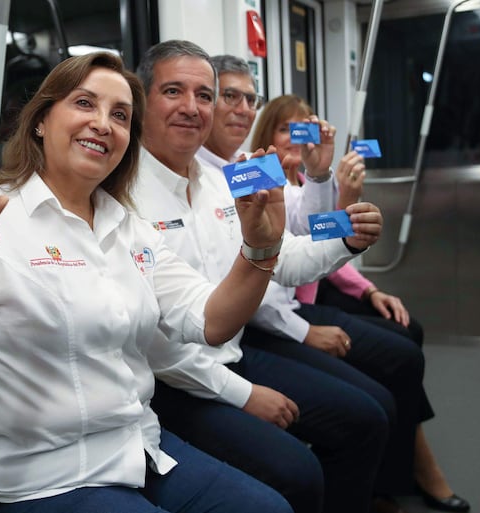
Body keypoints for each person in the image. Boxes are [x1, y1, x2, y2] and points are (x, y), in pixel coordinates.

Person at [0, 52, 294, 513]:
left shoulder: (128, 228)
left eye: (120, 115)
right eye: (85, 103)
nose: (104, 123)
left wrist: (261, 248)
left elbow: (212, 320)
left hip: (134, 448)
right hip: (39, 478)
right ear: (42, 121)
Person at [133, 44, 390, 513]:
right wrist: (245, 394)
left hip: (235, 352)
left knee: (366, 418)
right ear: (142, 100)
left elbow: (280, 256)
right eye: (174, 91)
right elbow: (158, 342)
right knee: (297, 473)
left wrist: (346, 240)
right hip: (177, 382)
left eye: (204, 95)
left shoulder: (225, 179)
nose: (194, 107)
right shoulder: (123, 195)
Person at [250, 94, 470, 513]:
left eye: (305, 131)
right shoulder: (258, 178)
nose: (298, 140)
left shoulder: (302, 182)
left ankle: (403, 467)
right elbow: (307, 249)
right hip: (293, 304)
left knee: (408, 335)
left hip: (306, 290)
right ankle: (407, 471)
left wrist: (368, 288)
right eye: (287, 130)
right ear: (267, 136)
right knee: (397, 360)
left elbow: (317, 246)